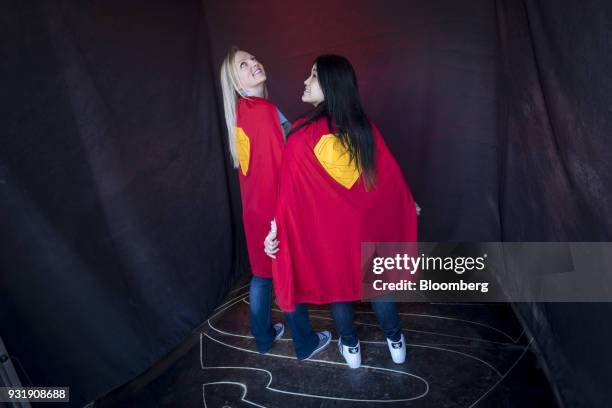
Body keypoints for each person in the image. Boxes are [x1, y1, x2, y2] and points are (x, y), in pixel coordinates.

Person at [266, 55, 418, 368]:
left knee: (337, 289)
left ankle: (350, 347)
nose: (305, 82)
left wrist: (275, 233)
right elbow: (390, 177)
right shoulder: (363, 128)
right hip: (366, 233)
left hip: (329, 238)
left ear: (331, 85)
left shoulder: (300, 135)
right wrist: (406, 203)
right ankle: (395, 340)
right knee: (379, 284)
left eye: (313, 76)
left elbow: (287, 198)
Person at [219, 47, 330, 360]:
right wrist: (281, 217)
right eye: (244, 64)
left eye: (253, 57)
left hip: (253, 210)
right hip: (271, 209)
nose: (254, 62)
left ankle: (264, 337)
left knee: (263, 275)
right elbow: (277, 167)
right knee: (285, 273)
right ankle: (305, 342)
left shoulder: (243, 110)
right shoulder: (261, 110)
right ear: (237, 82)